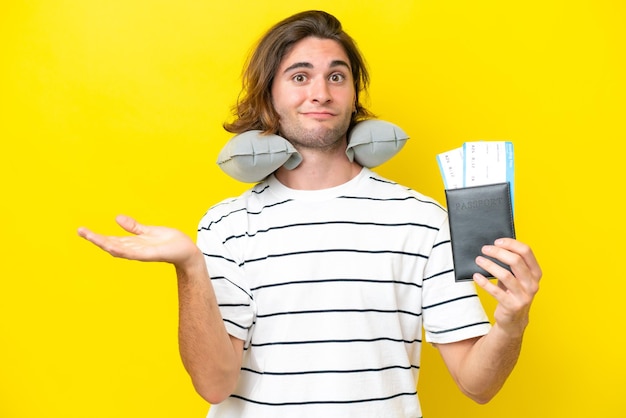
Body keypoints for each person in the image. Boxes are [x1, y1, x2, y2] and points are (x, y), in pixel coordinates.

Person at [78, 10, 542, 418]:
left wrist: (511, 323)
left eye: (336, 76)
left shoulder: (421, 219)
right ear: (270, 95)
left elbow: (478, 385)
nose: (320, 92)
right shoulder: (226, 224)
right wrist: (189, 267)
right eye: (299, 76)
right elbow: (214, 385)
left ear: (353, 94)